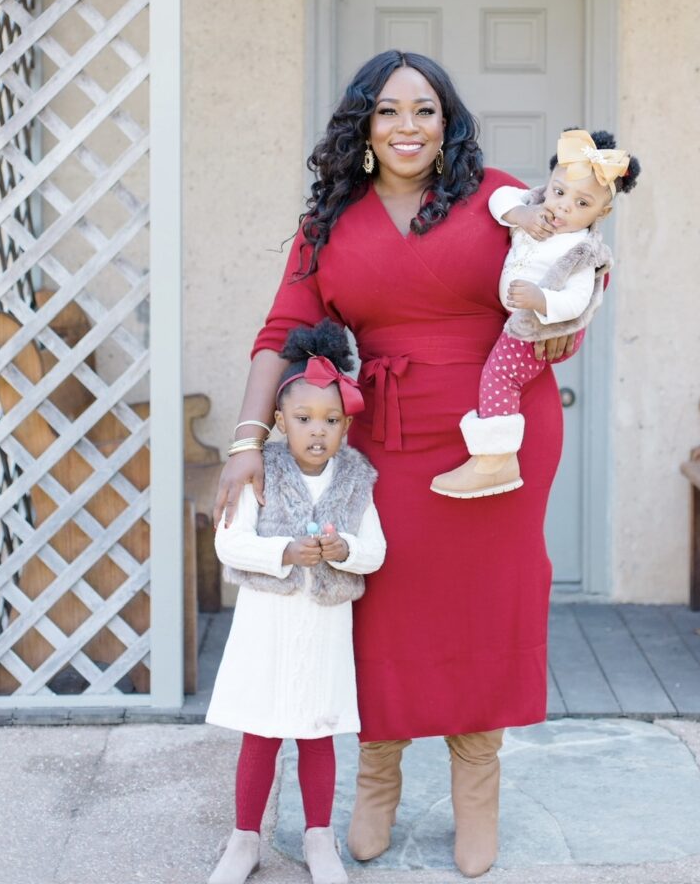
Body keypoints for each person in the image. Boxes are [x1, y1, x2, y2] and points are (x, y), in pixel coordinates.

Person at [213, 50, 585, 879]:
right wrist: (246, 440)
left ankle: (475, 781)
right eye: (389, 110)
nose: (408, 126)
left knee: (485, 601)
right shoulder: (329, 221)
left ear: (446, 121)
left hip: (496, 434)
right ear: (364, 125)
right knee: (378, 604)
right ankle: (377, 774)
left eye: (425, 109)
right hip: (378, 438)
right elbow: (280, 330)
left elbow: (568, 271)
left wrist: (567, 321)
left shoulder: (500, 199)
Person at [206, 320, 386, 884]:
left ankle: (318, 838)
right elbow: (228, 541)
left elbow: (375, 551)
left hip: (323, 629)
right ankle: (244, 840)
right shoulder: (262, 470)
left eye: (331, 421)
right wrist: (285, 550)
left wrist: (344, 548)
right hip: (269, 625)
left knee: (316, 730)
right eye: (304, 420)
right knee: (261, 731)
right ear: (280, 422)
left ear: (346, 425)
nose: (317, 432)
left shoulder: (356, 480)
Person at [430, 128, 640, 499]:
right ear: (549, 183)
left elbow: (577, 300)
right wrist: (523, 214)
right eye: (560, 192)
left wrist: (540, 300)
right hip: (525, 317)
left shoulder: (581, 248)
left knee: (501, 374)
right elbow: (498, 198)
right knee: (499, 371)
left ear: (601, 213)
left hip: (543, 327)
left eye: (582, 204)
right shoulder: (536, 209)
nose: (563, 207)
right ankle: (496, 456)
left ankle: (496, 459)